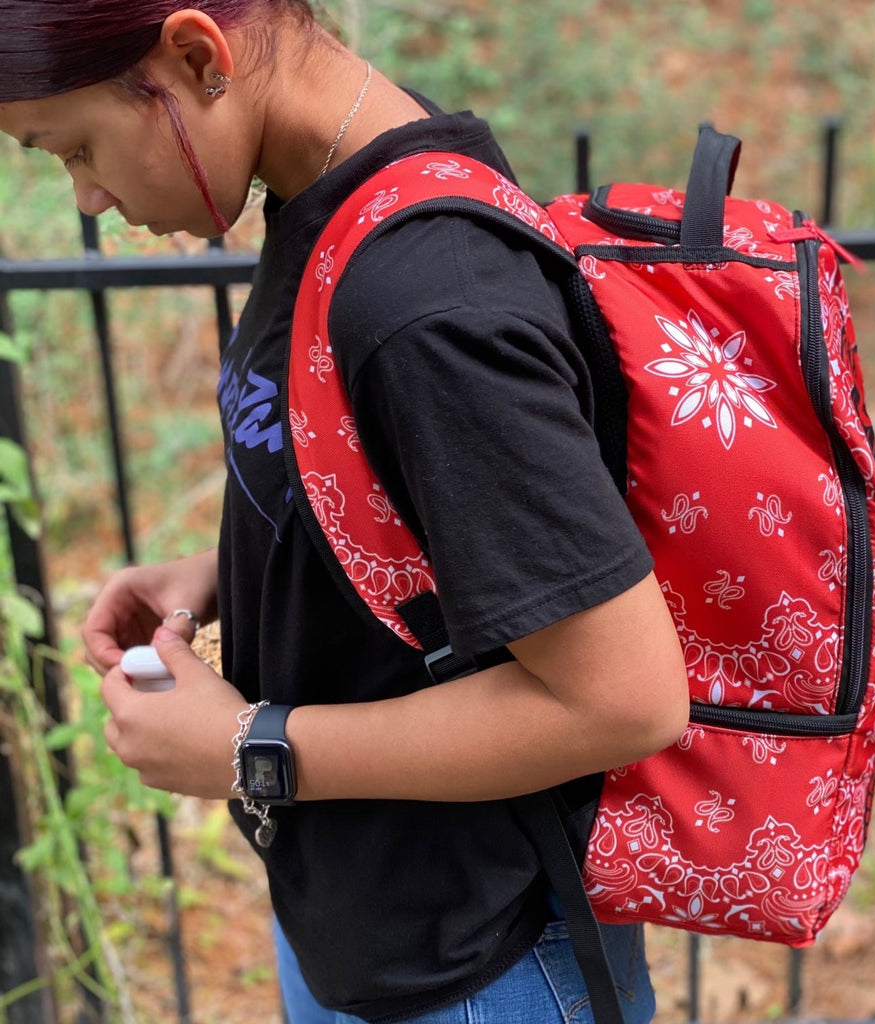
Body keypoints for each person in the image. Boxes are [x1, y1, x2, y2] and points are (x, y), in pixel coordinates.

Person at [0, 3, 689, 1021]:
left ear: (197, 56)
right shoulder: (331, 190)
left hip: (481, 968)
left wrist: (251, 747)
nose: (91, 197)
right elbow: (407, 490)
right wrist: (227, 567)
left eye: (76, 148)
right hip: (369, 922)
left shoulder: (424, 299)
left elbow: (624, 698)